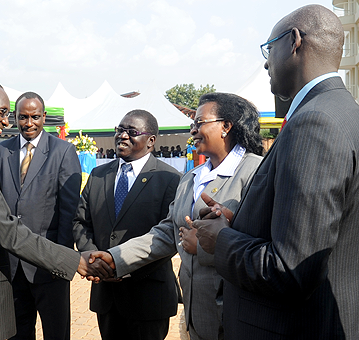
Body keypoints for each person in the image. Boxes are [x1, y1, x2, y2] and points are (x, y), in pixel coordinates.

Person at [192, 5, 359, 339]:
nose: (267, 63)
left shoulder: (314, 123)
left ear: (294, 41)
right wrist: (238, 219)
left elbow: (290, 269)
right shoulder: (344, 113)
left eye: (269, 49)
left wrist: (220, 238)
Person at [0, 78, 112, 340]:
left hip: (44, 266)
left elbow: (68, 212)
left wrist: (61, 256)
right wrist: (74, 260)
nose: (8, 122)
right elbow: (4, 227)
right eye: (3, 113)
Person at [89, 92, 263, 339]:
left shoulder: (256, 172)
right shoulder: (192, 177)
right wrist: (113, 258)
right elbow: (165, 233)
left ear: (226, 126)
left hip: (236, 313)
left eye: (199, 123)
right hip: (198, 312)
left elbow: (263, 243)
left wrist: (203, 246)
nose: (193, 131)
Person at [73, 109, 182, 340]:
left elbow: (169, 235)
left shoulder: (170, 179)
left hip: (148, 295)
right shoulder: (98, 174)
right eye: (120, 129)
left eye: (132, 132)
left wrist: (121, 267)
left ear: (151, 141)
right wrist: (93, 259)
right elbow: (81, 221)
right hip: (107, 295)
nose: (123, 135)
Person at [0, 92, 81, 340]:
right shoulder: (0, 152)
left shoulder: (63, 151)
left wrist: (61, 260)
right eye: (22, 117)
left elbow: (68, 210)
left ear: (44, 118)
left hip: (49, 263)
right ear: (14, 118)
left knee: (56, 331)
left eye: (34, 117)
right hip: (12, 264)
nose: (28, 123)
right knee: (17, 332)